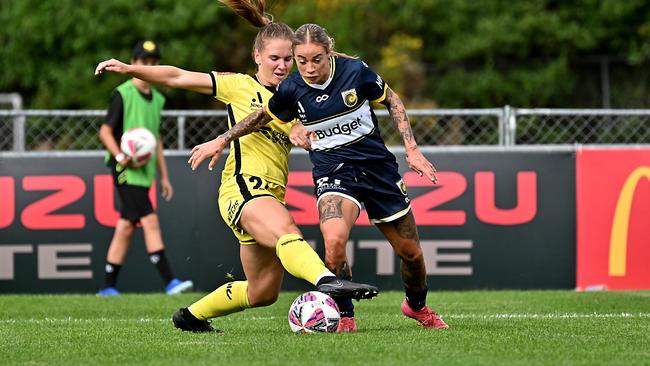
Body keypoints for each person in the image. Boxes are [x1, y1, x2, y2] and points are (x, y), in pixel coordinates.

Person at [95, 1, 378, 333]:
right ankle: (327, 281)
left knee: (262, 292)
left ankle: (191, 317)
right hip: (243, 189)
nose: (283, 65)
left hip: (269, 195)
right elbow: (177, 75)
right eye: (275, 58)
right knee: (288, 231)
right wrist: (131, 69)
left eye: (289, 59)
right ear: (257, 56)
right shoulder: (238, 86)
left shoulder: (297, 98)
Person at [189, 23, 449, 331]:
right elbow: (261, 116)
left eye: (317, 59)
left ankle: (416, 307)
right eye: (301, 61)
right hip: (334, 173)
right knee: (334, 243)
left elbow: (392, 100)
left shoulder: (355, 71)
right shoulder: (292, 89)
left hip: (378, 169)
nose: (309, 68)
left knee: (412, 253)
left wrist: (412, 149)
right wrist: (222, 140)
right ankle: (345, 315)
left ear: (329, 53)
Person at [97, 40, 194, 296]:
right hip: (126, 170)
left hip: (145, 172)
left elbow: (156, 139)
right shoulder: (123, 93)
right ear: (134, 62)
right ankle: (170, 281)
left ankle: (107, 286)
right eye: (144, 61)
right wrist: (119, 156)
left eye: (154, 61)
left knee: (127, 226)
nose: (149, 65)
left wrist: (164, 176)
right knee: (150, 221)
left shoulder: (158, 99)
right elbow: (105, 131)